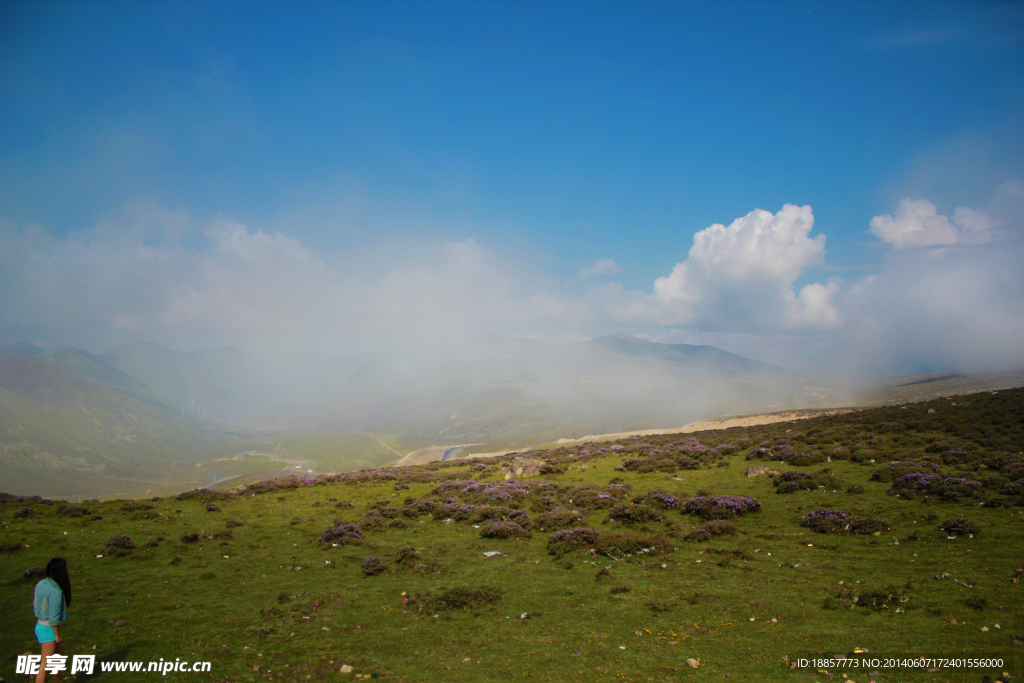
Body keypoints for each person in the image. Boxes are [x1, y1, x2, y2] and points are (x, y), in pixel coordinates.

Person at [33, 557, 71, 683]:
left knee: (58, 658)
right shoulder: (56, 591)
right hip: (48, 629)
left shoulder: (41, 584)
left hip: (40, 625)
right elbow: (54, 617)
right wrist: (57, 635)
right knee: (44, 665)